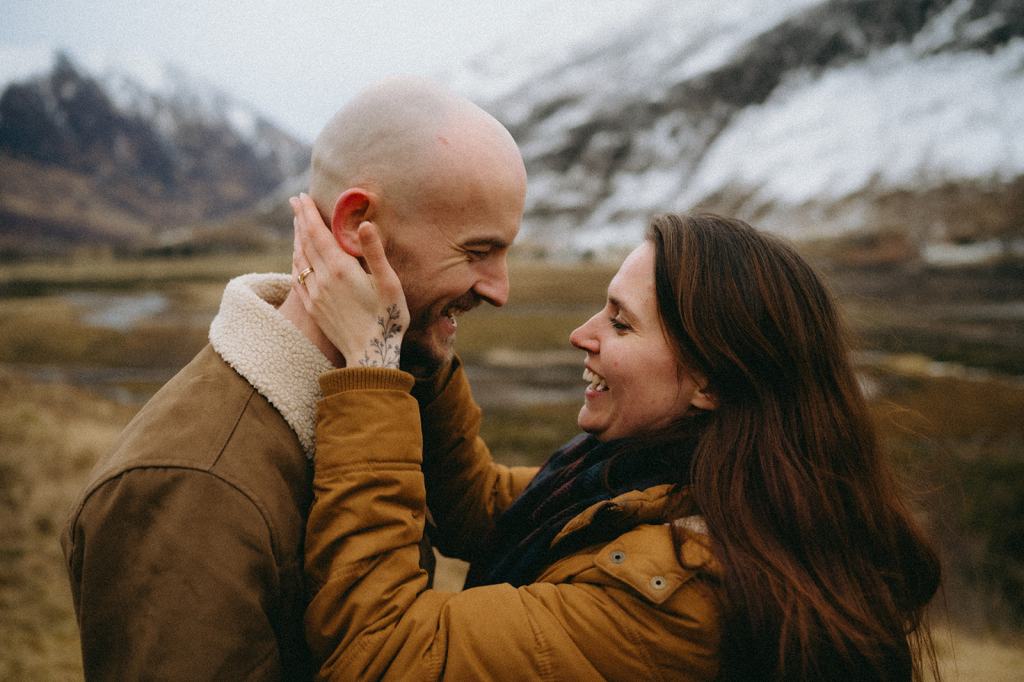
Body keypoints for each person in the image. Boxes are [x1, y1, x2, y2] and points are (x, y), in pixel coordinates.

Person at [290, 197, 941, 680]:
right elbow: (492, 511)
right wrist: (424, 353)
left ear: (711, 383)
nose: (582, 333)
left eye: (621, 325)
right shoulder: (680, 487)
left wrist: (372, 363)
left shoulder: (678, 601)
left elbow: (379, 654)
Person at [60, 78, 526, 680]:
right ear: (358, 226)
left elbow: (479, 507)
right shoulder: (191, 489)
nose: (501, 290)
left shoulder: (382, 383)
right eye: (477, 251)